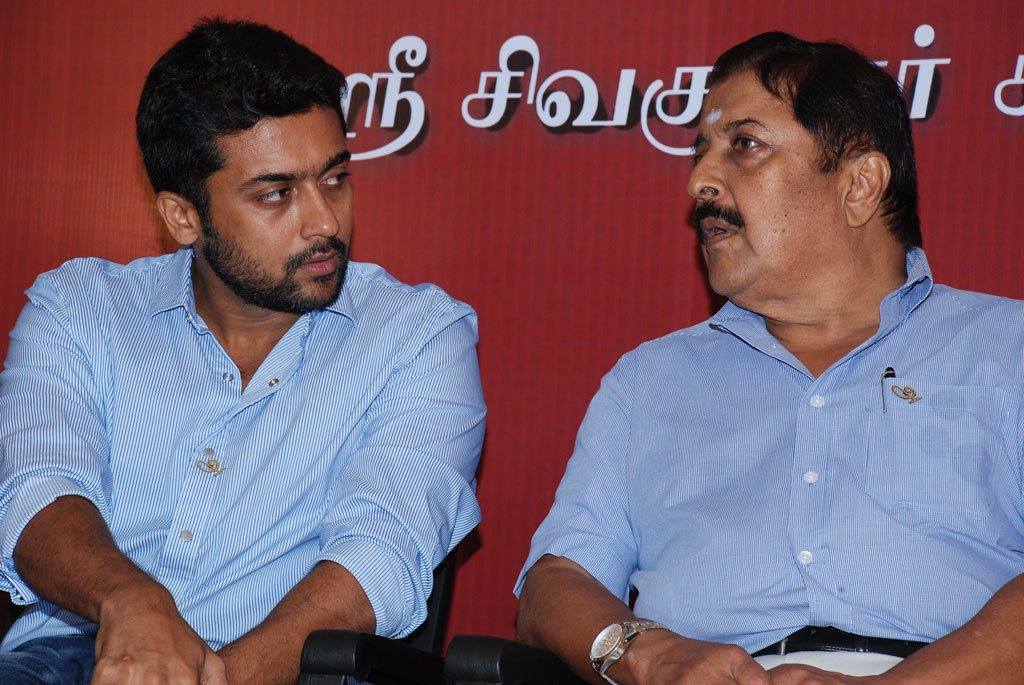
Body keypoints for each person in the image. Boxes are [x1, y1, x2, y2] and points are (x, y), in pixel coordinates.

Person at [515, 31, 1024, 684]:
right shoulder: (648, 381)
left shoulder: (1007, 347)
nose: (699, 181)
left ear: (860, 184)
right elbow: (556, 583)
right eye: (701, 152)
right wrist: (647, 652)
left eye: (745, 145)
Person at [0, 18, 485, 685]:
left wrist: (214, 679)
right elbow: (39, 491)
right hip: (73, 654)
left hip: (282, 668)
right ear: (183, 217)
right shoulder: (80, 308)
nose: (325, 221)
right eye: (276, 194)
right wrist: (131, 601)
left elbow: (380, 552)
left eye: (335, 178)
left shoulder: (419, 336)